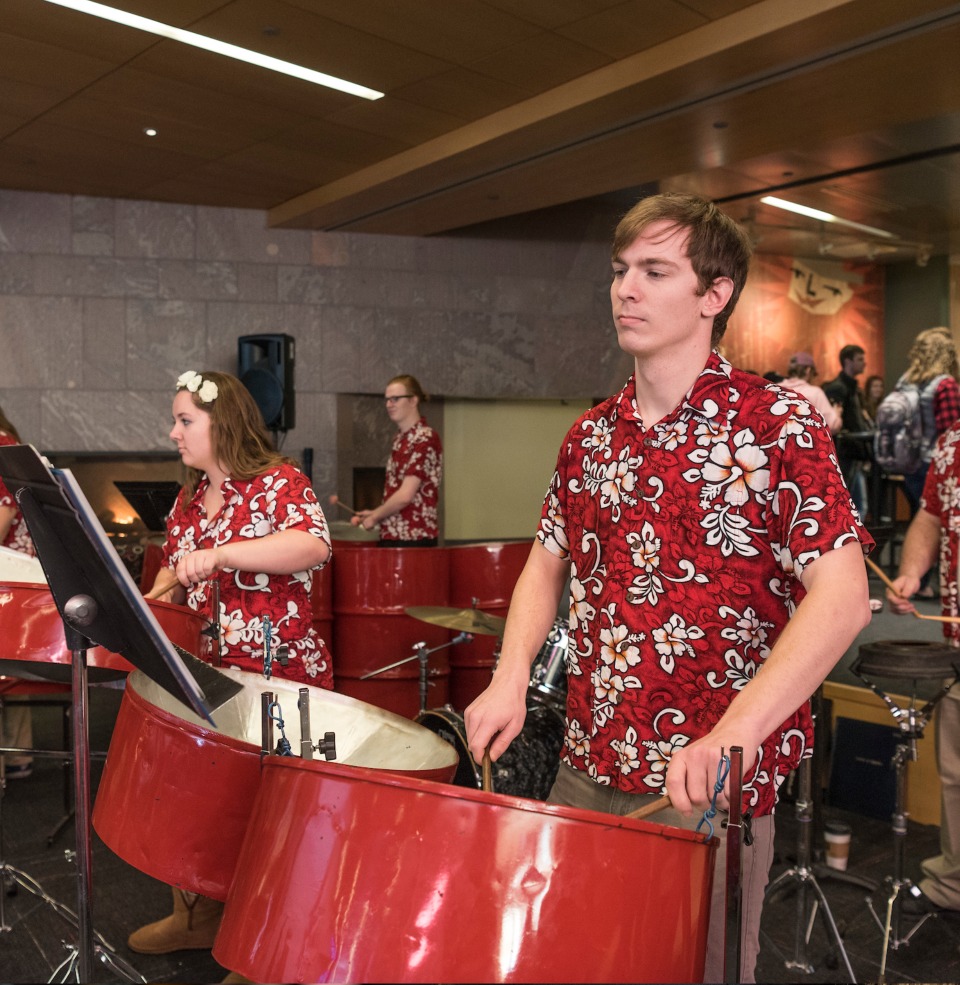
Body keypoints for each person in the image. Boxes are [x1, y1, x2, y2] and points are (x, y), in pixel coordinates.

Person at [463, 192, 872, 983]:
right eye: (621, 270)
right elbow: (546, 561)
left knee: (692, 969)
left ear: (715, 294)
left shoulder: (773, 425)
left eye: (654, 271)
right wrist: (511, 676)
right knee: (575, 965)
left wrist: (734, 734)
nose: (626, 289)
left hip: (706, 784)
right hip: (587, 759)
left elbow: (844, 597)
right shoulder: (589, 436)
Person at [128, 370, 333, 959]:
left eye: (184, 421)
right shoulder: (189, 500)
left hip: (277, 677)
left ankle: (264, 948)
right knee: (202, 802)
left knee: (270, 815)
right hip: (206, 676)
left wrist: (222, 554)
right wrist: (143, 603)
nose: (173, 433)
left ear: (224, 424)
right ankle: (195, 918)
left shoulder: (279, 482)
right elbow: (174, 573)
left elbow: (313, 545)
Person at [886, 416, 960, 917]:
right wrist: (911, 572)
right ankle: (954, 882)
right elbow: (931, 517)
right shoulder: (952, 443)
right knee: (955, 772)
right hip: (955, 643)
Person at [351, 374, 443, 546]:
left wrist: (375, 517)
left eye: (395, 399)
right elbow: (397, 493)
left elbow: (405, 495)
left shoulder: (425, 438)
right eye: (387, 399)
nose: (389, 404)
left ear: (413, 400)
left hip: (414, 536)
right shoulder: (399, 438)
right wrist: (374, 513)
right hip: (394, 535)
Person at [0, 406, 36, 781]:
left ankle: (14, 755)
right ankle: (17, 755)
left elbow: (3, 516)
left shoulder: (2, 445)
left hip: (11, 575)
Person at [823, 344, 872, 517]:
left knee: (857, 505)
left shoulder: (853, 389)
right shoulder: (838, 388)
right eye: (860, 359)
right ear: (848, 361)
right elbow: (833, 423)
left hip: (853, 453)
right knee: (852, 506)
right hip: (844, 454)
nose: (864, 363)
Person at [780, 352, 842, 433]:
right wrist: (836, 413)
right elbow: (831, 425)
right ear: (808, 370)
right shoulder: (814, 393)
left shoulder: (773, 390)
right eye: (813, 374)